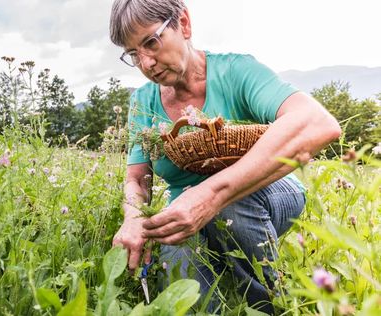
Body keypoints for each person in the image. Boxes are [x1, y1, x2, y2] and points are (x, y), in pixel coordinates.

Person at [109, 0, 341, 313]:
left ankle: (270, 303)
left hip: (266, 194)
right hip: (187, 212)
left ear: (185, 24)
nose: (147, 62)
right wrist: (134, 216)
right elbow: (138, 177)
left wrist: (211, 195)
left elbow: (318, 123)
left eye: (151, 42)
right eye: (134, 54)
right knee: (183, 285)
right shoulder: (143, 102)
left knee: (230, 208)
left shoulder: (235, 71)